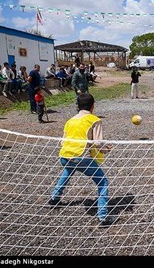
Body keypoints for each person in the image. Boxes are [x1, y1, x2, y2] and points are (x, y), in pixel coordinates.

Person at [49, 93, 117, 227]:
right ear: (92, 106)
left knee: (68, 170)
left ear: (78, 106)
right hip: (81, 158)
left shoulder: (70, 120)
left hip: (64, 156)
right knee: (102, 181)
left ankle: (54, 198)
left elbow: (63, 141)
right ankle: (103, 216)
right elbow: (98, 143)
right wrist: (106, 149)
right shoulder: (94, 120)